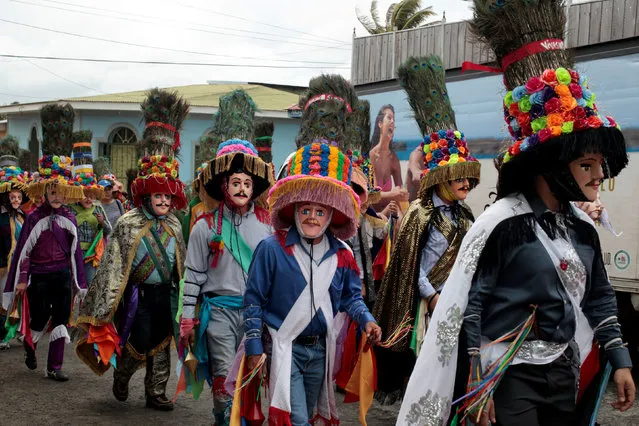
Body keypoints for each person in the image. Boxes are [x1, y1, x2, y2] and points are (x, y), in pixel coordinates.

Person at [398, 3, 635, 424]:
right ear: (551, 163)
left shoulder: (583, 230)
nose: (599, 175)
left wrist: (620, 359)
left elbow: (599, 296)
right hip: (508, 377)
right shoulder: (501, 225)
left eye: (600, 164)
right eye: (586, 165)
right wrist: (475, 380)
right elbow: (471, 307)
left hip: (564, 372)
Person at [238, 142, 382, 425]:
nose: (312, 218)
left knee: (309, 418)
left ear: (330, 215)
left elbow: (351, 298)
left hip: (321, 352)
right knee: (297, 420)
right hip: (283, 347)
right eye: (305, 210)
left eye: (319, 211)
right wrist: (254, 349)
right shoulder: (271, 249)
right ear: (294, 211)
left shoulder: (343, 254)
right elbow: (253, 301)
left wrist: (368, 321)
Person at [372, 55, 482, 406]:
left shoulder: (467, 214)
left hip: (460, 307)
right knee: (427, 375)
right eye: (458, 176)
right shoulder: (419, 214)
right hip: (426, 308)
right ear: (441, 178)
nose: (466, 182)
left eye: (468, 175)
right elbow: (411, 266)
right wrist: (433, 296)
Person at [75, 88, 189, 411]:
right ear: (145, 196)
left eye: (168, 198)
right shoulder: (127, 223)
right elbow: (113, 265)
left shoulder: (177, 226)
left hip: (164, 294)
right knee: (138, 341)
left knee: (163, 343)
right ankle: (122, 376)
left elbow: (181, 266)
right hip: (138, 296)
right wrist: (106, 304)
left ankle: (156, 392)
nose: (163, 202)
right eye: (158, 197)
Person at [178, 139, 274, 425]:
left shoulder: (269, 226)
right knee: (223, 381)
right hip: (218, 312)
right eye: (236, 181)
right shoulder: (204, 226)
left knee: (252, 379)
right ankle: (224, 419)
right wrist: (186, 319)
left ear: (254, 186)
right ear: (224, 185)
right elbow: (193, 275)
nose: (242, 188)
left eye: (247, 182)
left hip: (256, 315)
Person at [2, 103, 87, 381]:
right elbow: (22, 252)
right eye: (52, 190)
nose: (56, 195)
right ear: (45, 190)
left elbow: (76, 255)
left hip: (61, 276)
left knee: (61, 320)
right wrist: (22, 279)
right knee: (38, 319)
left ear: (66, 192)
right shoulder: (34, 217)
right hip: (38, 276)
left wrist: (80, 284)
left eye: (61, 191)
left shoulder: (70, 219)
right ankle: (30, 343)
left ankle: (55, 367)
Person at [70, 134, 111, 287]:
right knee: (73, 287)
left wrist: (102, 223)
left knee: (89, 285)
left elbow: (108, 231)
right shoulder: (70, 210)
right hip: (73, 254)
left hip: (91, 255)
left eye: (92, 196)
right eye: (85, 196)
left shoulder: (98, 209)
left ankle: (86, 311)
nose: (89, 199)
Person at [0, 157, 30, 350]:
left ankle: (20, 330)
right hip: (4, 265)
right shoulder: (1, 218)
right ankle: (3, 335)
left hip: (22, 265)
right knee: (4, 298)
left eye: (19, 197)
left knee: (21, 298)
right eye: (13, 197)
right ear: (7, 198)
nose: (16, 200)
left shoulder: (25, 217)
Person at [370, 105, 409, 210]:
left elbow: (399, 189)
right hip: (371, 213)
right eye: (389, 118)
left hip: (389, 211)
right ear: (380, 124)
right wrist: (392, 194)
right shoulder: (371, 156)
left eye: (394, 120)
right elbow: (370, 195)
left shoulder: (393, 159)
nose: (392, 121)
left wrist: (403, 194)